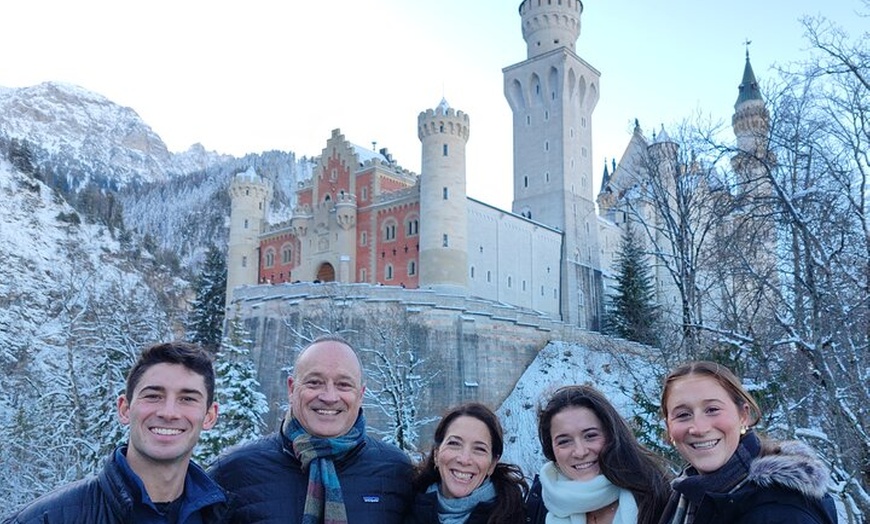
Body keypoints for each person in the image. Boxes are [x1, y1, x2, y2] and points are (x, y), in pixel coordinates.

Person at [3, 341, 228, 523]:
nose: (169, 413)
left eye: (187, 399)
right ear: (125, 409)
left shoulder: (227, 515)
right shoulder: (48, 519)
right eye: (153, 395)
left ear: (209, 416)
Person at [208, 334, 414, 523]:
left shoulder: (398, 472)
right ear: (291, 389)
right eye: (314, 382)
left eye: (343, 385)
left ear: (361, 394)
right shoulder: (234, 471)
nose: (329, 397)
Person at [658, 361, 838, 524]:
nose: (698, 428)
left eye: (712, 410)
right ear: (669, 426)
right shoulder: (686, 496)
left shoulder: (780, 512)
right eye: (683, 415)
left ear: (743, 415)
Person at [525, 385, 671, 524]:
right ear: (551, 450)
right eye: (564, 441)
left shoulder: (659, 500)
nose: (580, 452)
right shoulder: (540, 507)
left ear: (613, 435)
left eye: (590, 436)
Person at [405, 402, 527, 524]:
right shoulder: (403, 507)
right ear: (436, 454)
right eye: (454, 444)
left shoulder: (515, 517)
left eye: (479, 449)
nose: (464, 459)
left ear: (492, 464)